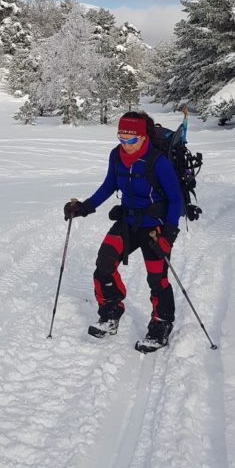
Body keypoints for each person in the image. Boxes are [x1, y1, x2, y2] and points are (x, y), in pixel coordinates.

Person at [63, 110, 183, 348]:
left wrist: (169, 234)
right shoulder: (116, 156)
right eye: (121, 138)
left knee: (157, 278)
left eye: (131, 139)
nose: (125, 144)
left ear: (143, 137)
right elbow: (109, 185)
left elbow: (175, 199)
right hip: (127, 222)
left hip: (155, 228)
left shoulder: (158, 162)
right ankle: (110, 311)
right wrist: (84, 207)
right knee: (104, 265)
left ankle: (161, 324)